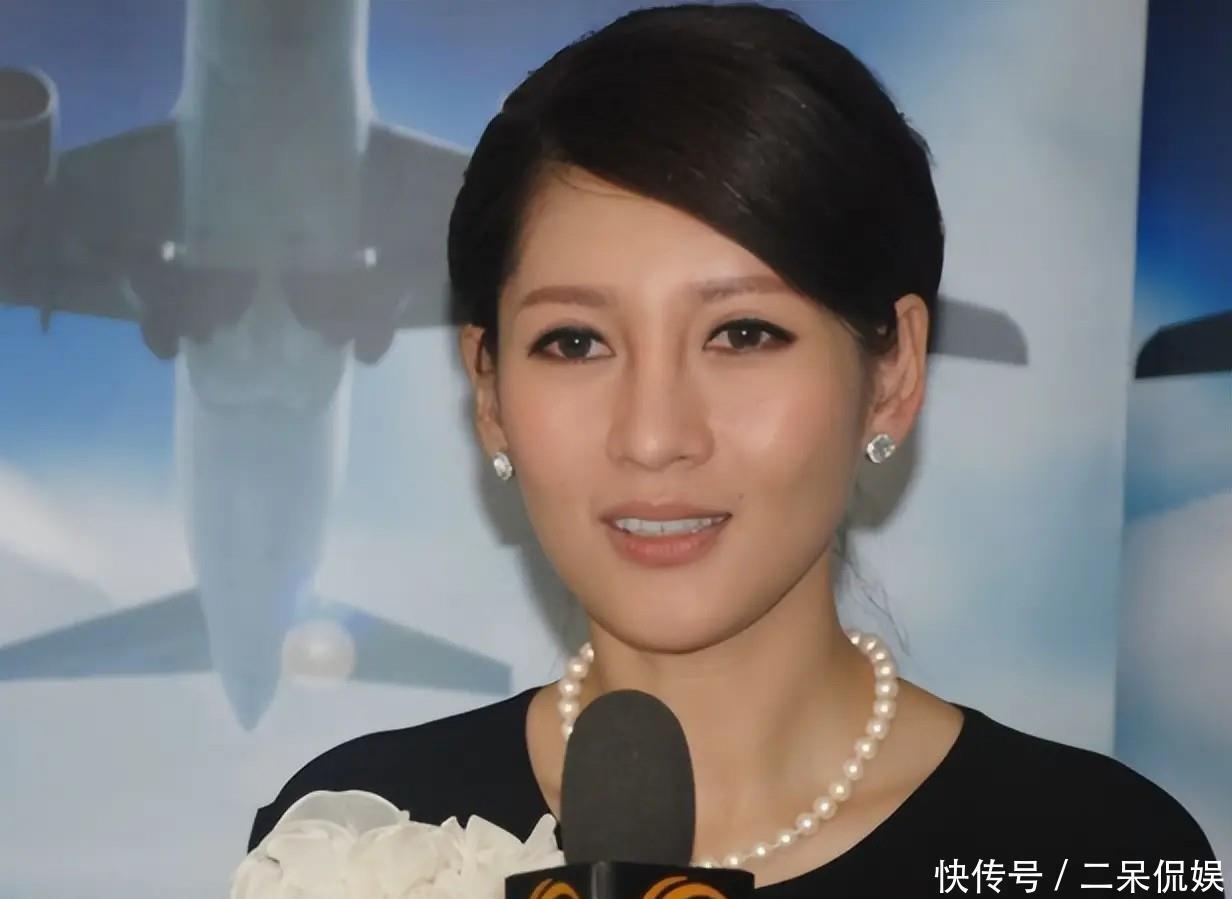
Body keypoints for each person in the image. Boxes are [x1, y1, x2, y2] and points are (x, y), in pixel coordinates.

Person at [247, 4, 1222, 894]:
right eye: (575, 342)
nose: (654, 435)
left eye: (743, 334)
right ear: (489, 391)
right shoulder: (359, 836)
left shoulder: (1089, 850)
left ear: (890, 371)